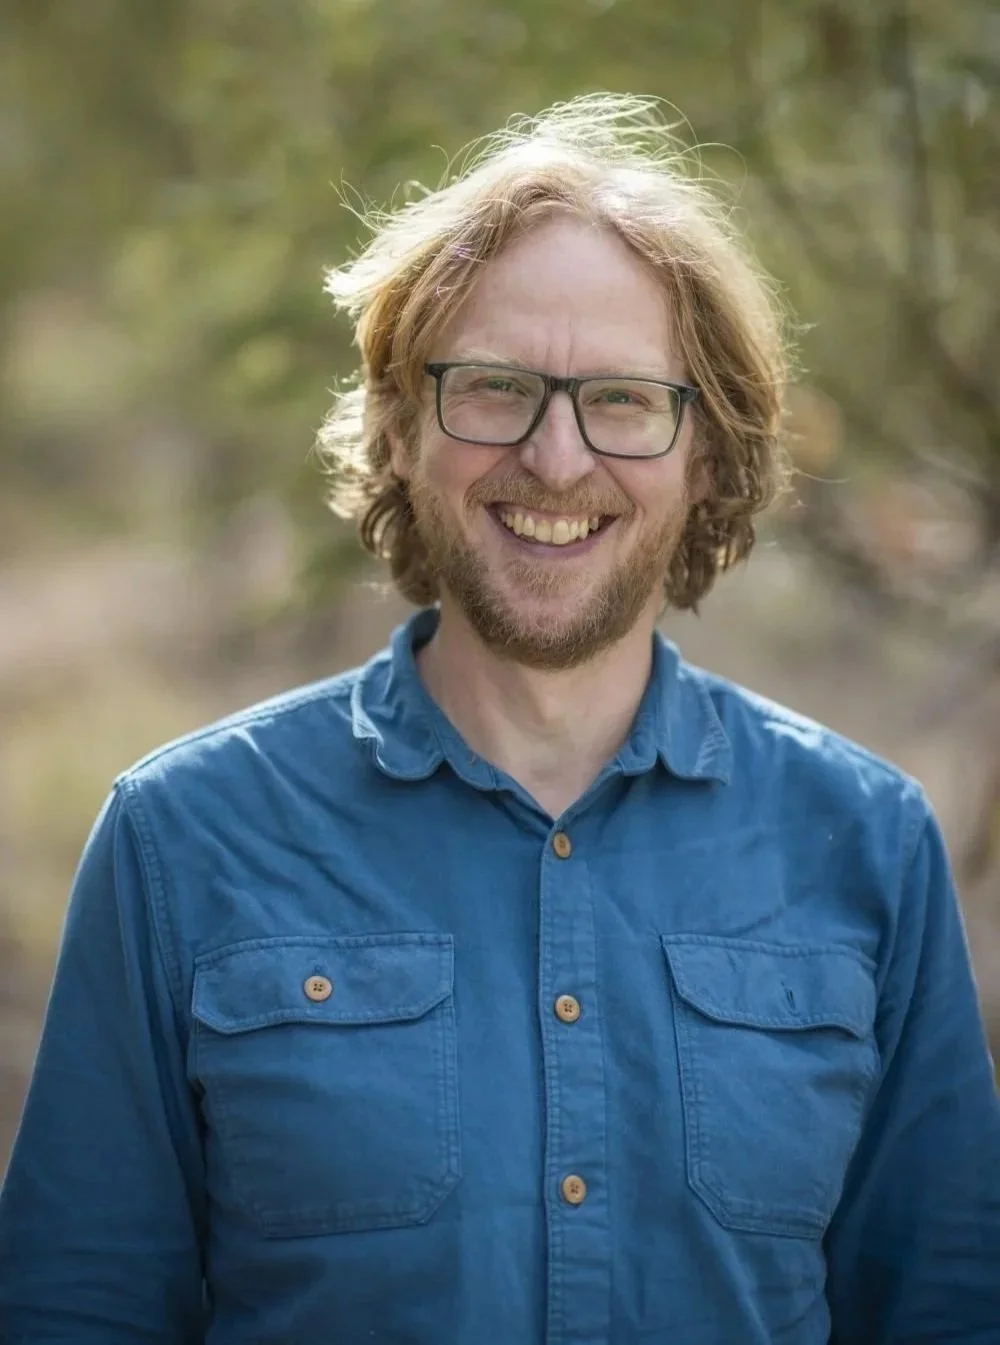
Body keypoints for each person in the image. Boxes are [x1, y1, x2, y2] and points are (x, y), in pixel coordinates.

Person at [1, 94, 998, 1345]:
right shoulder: (180, 842)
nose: (557, 459)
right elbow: (72, 1308)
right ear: (402, 426)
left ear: (708, 453)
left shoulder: (867, 844)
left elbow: (948, 1309)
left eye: (623, 401)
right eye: (495, 388)